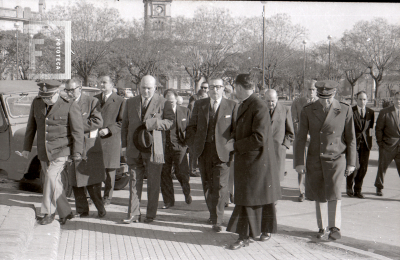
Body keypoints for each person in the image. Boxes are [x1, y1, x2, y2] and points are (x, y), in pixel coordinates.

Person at [294, 80, 356, 240]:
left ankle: (334, 227)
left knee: (335, 192)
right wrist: (299, 162)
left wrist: (351, 162)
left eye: (328, 98)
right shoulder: (308, 110)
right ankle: (322, 227)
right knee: (320, 193)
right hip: (315, 158)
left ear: (334, 94)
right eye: (321, 98)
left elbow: (351, 138)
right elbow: (300, 138)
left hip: (337, 158)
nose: (325, 101)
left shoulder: (345, 109)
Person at [226, 74, 281, 250]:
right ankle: (257, 232)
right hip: (250, 160)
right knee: (253, 199)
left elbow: (259, 137)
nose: (234, 91)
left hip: (255, 162)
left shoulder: (258, 106)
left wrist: (236, 145)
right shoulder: (247, 104)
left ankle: (244, 237)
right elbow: (240, 128)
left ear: (240, 87)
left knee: (249, 199)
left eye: (235, 87)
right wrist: (233, 139)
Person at [22, 80, 84, 225]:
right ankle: (66, 212)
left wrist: (77, 153)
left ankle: (48, 212)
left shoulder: (69, 104)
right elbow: (31, 126)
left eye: (49, 96)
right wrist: (26, 148)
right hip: (44, 151)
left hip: (62, 150)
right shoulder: (37, 103)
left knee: (50, 176)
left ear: (57, 92)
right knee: (54, 181)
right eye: (44, 97)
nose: (47, 100)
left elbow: (77, 131)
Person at [121, 75, 175, 224]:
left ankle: (150, 214)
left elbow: (170, 122)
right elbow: (124, 125)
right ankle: (133, 213)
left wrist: (153, 123)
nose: (145, 91)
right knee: (134, 181)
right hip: (133, 148)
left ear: (155, 88)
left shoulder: (163, 103)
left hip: (154, 148)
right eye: (143, 88)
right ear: (139, 87)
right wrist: (124, 146)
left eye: (149, 88)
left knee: (153, 183)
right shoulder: (130, 102)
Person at [185, 78, 237, 232]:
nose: (215, 90)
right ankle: (213, 214)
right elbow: (191, 127)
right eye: (212, 87)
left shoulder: (232, 106)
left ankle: (218, 220)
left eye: (218, 87)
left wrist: (231, 146)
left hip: (223, 153)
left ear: (223, 89)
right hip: (204, 151)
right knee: (207, 185)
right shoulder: (200, 105)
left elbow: (236, 129)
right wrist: (193, 146)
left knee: (220, 186)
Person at [64, 79, 106, 218]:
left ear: (80, 88)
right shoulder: (65, 103)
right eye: (67, 90)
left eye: (72, 90)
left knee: (91, 182)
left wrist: (76, 124)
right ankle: (82, 210)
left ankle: (100, 208)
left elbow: (97, 121)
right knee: (75, 180)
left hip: (88, 147)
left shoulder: (91, 101)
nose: (70, 93)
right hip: (72, 145)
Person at [94, 76, 125, 206]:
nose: (102, 84)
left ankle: (107, 198)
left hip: (111, 139)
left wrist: (109, 129)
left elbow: (122, 122)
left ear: (112, 85)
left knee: (109, 173)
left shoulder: (120, 100)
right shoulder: (95, 99)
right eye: (100, 82)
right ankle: (95, 197)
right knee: (95, 171)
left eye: (105, 82)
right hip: (95, 140)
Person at [160, 89, 192, 209]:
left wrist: (187, 144)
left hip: (180, 146)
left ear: (176, 99)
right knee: (165, 174)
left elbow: (190, 128)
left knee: (182, 172)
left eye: (172, 101)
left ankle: (186, 191)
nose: (170, 103)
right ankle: (168, 201)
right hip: (165, 147)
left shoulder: (184, 111)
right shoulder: (161, 113)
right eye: (168, 101)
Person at [291, 81, 318, 201]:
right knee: (301, 166)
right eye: (309, 89)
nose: (311, 92)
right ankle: (301, 191)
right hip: (302, 139)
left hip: (315, 140)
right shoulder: (298, 102)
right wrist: (304, 133)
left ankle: (311, 190)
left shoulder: (320, 103)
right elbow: (294, 120)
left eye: (313, 89)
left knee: (314, 166)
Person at [347, 91, 374, 199]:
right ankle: (349, 188)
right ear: (356, 100)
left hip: (365, 144)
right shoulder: (351, 111)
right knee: (352, 167)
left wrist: (370, 141)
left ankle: (358, 190)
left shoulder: (371, 112)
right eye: (360, 99)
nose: (362, 101)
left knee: (363, 168)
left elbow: (371, 129)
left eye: (364, 99)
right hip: (354, 143)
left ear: (367, 100)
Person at [264, 89, 294, 182]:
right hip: (263, 149)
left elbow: (290, 132)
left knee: (276, 178)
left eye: (272, 101)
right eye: (268, 101)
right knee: (264, 178)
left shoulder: (285, 110)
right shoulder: (260, 110)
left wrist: (284, 146)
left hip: (278, 150)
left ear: (277, 99)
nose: (270, 103)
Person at [374, 91, 400, 196]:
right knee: (382, 168)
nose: (399, 101)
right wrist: (381, 143)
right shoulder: (385, 112)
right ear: (393, 99)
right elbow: (378, 129)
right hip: (387, 146)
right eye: (397, 98)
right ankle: (379, 187)